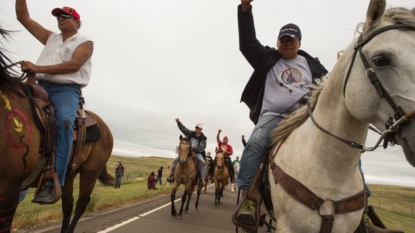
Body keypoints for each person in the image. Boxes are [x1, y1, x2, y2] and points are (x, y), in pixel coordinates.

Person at [235, 0, 328, 228]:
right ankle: (248, 198)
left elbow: (330, 89)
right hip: (273, 116)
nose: (287, 44)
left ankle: (362, 209)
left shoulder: (313, 65)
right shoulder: (267, 57)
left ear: (299, 42)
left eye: (292, 40)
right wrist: (245, 9)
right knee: (256, 142)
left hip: (306, 118)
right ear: (277, 42)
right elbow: (247, 44)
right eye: (283, 40)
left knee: (343, 144)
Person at [16, 1, 94, 204]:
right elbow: (23, 18)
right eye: (58, 17)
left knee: (64, 123)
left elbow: (74, 65)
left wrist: (37, 67)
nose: (60, 19)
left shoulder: (85, 42)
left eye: (65, 17)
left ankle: (54, 180)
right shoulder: (51, 38)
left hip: (65, 90)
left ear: (77, 22)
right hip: (40, 85)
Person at [167, 119, 207, 186]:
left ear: (201, 129)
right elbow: (184, 129)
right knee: (176, 159)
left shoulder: (203, 138)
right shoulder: (191, 133)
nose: (197, 129)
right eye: (196, 128)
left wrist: (194, 150)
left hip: (197, 153)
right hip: (187, 151)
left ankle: (202, 180)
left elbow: (202, 147)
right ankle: (171, 175)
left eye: (198, 128)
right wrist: (178, 122)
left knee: (203, 163)